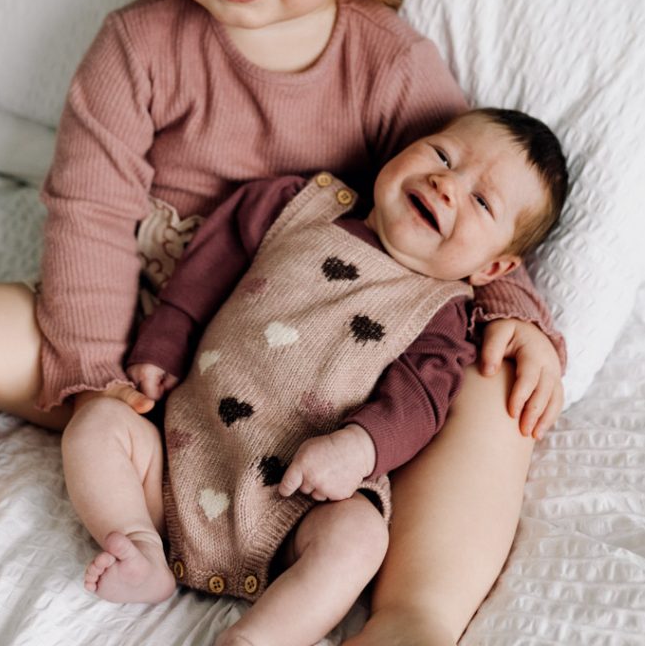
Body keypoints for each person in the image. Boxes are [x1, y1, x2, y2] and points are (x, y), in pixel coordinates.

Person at [0, 0, 565, 646]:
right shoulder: (139, 45)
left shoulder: (386, 65)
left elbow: (470, 207)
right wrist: (99, 373)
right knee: (18, 319)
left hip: (333, 381)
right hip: (157, 331)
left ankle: (414, 611)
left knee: (491, 396)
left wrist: (519, 321)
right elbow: (89, 212)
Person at [61, 107, 568, 646]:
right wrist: (163, 343)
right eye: (442, 155)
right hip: (178, 453)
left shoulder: (443, 314)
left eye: (481, 202)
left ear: (492, 269)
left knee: (359, 538)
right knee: (99, 420)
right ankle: (139, 544)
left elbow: (420, 401)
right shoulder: (294, 206)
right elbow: (209, 264)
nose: (447, 185)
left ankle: (260, 638)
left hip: (298, 502)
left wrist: (360, 448)